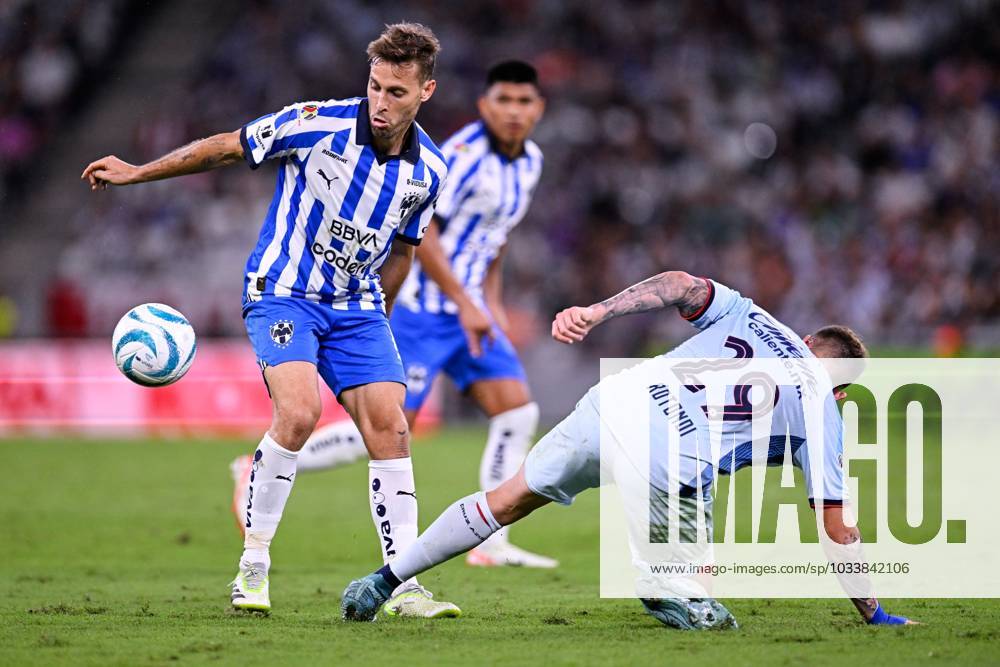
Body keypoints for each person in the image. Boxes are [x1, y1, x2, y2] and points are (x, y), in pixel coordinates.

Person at [82, 23, 461, 618]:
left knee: (391, 428)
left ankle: (403, 582)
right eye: (375, 87)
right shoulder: (318, 123)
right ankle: (252, 570)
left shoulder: (430, 171)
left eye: (396, 92)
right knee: (301, 413)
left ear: (426, 92)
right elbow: (228, 146)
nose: (381, 104)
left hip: (357, 306)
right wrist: (137, 172)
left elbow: (406, 251)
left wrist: (376, 319)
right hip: (283, 291)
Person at [340, 270, 915, 628]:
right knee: (703, 592)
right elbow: (837, 528)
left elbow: (677, 284)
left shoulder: (751, 314)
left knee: (504, 501)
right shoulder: (824, 408)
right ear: (842, 386)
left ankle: (382, 582)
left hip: (614, 400)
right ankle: (670, 589)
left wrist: (597, 311)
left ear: (808, 339)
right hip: (670, 458)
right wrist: (873, 611)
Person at [230, 60, 554, 570]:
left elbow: (496, 238)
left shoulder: (530, 162)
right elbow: (422, 241)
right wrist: (467, 303)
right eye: (504, 100)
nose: (514, 112)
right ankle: (256, 467)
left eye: (525, 101)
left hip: (469, 314)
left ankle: (490, 543)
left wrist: (490, 300)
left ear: (540, 108)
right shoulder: (460, 158)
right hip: (425, 312)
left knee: (517, 413)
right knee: (388, 428)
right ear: (483, 105)